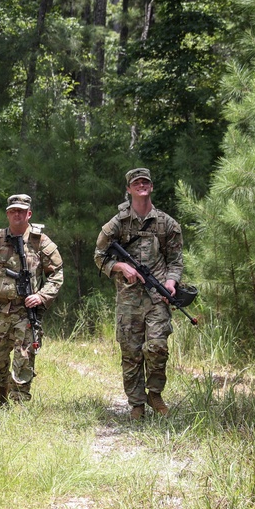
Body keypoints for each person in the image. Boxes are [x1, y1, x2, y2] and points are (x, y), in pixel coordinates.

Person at [94, 168, 183, 420]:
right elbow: (99, 256)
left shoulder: (167, 224)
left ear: (151, 187)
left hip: (157, 297)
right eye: (136, 183)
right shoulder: (117, 224)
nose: (141, 186)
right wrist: (119, 266)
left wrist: (171, 282)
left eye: (145, 182)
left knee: (157, 347)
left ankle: (155, 394)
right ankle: (137, 404)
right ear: (129, 189)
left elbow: (176, 261)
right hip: (129, 299)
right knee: (131, 352)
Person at [0, 194, 64, 405]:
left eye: (21, 211)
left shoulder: (41, 242)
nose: (17, 215)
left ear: (29, 214)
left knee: (25, 356)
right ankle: (1, 391)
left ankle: (20, 400)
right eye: (13, 211)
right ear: (7, 214)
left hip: (26, 311)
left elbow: (56, 274)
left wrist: (41, 296)